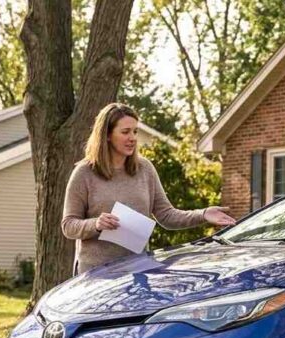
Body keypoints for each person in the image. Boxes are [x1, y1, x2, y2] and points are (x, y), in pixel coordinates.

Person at [61, 102, 236, 274]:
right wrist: (96, 224)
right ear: (106, 135)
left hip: (137, 272)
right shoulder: (84, 173)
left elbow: (167, 215)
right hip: (96, 274)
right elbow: (68, 226)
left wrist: (203, 214)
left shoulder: (144, 169)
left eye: (135, 131)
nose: (132, 138)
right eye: (125, 132)